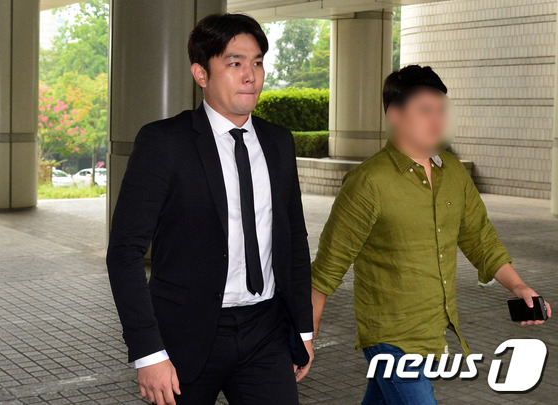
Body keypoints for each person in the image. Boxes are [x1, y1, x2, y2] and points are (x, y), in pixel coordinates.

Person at [310, 64, 551, 405]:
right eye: (425, 110)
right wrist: (306, 334)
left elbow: (480, 238)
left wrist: (519, 286)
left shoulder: (453, 172)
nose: (437, 119)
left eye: (441, 109)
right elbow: (329, 265)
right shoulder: (368, 182)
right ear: (395, 115)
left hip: (433, 327)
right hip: (389, 334)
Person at [107, 13, 314, 405]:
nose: (250, 76)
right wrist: (148, 352)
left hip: (266, 332)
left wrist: (302, 329)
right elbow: (124, 252)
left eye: (257, 63)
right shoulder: (165, 143)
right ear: (201, 74)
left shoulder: (278, 143)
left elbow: (294, 240)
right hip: (183, 337)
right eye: (235, 63)